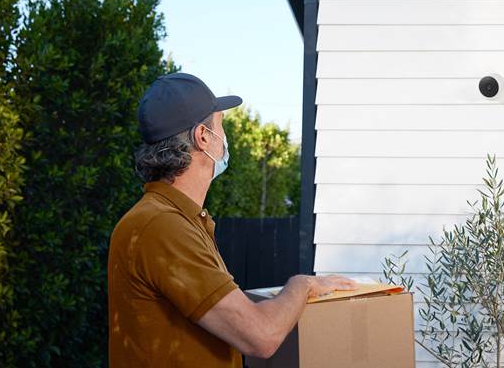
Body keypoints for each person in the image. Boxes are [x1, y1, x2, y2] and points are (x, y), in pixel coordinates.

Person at [107, 73, 358, 367]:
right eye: (221, 127)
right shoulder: (162, 227)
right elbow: (260, 336)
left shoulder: (176, 219)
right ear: (203, 137)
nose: (224, 139)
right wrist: (302, 286)